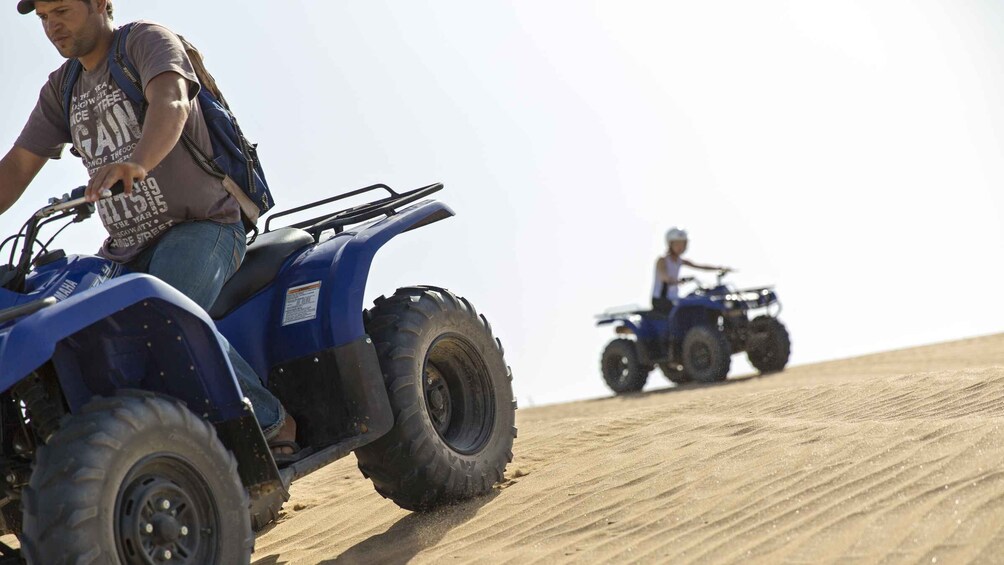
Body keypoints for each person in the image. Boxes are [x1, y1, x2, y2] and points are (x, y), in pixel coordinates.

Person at [1, 0, 298, 459]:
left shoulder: (143, 42)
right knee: (79, 339)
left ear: (100, 4)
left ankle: (271, 423)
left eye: (61, 9)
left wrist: (137, 161)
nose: (51, 25)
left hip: (203, 225)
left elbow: (172, 101)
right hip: (125, 249)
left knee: (162, 317)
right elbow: (18, 165)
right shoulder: (63, 88)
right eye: (43, 18)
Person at [652, 227, 730, 312]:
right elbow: (664, 277)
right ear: (670, 244)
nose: (680, 247)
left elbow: (700, 266)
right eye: (677, 244)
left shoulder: (680, 260)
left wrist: (719, 268)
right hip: (661, 300)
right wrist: (676, 281)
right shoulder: (662, 260)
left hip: (674, 298)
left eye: (683, 244)